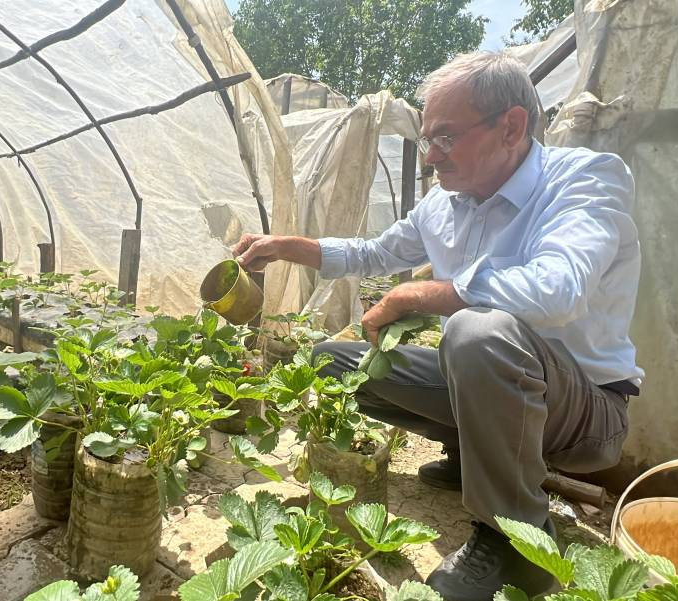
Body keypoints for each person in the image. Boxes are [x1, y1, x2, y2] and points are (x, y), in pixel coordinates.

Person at [233, 52, 642, 601]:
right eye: (427, 140)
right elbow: (374, 252)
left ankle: (514, 540)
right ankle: (475, 460)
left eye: (445, 138)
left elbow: (559, 289)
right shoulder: (445, 202)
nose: (430, 157)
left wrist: (423, 293)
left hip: (586, 411)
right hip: (501, 392)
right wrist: (286, 246)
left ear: (512, 127)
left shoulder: (585, 180)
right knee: (335, 360)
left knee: (476, 333)